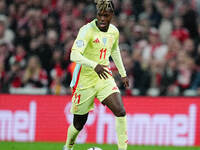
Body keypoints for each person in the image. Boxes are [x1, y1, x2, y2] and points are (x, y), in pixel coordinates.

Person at [63, 0, 129, 150]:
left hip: (104, 77)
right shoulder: (86, 30)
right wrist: (94, 65)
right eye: (100, 15)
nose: (102, 19)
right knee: (78, 124)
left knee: (120, 111)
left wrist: (123, 74)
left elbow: (114, 50)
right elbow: (74, 55)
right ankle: (68, 146)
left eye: (106, 16)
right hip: (84, 80)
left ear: (112, 15)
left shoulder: (114, 31)